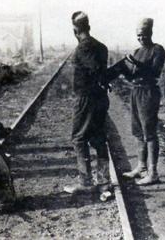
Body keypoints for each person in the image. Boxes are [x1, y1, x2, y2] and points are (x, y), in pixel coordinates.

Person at [112, 18, 165, 185]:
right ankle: (141, 167)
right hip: (135, 91)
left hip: (149, 92)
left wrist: (134, 63)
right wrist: (121, 70)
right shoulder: (137, 51)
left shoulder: (157, 50)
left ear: (150, 33)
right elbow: (133, 75)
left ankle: (153, 172)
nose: (141, 38)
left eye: (143, 35)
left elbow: (154, 72)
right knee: (137, 130)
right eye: (138, 36)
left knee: (149, 131)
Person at [64, 11, 111, 194]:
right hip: (100, 98)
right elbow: (102, 72)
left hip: (86, 99)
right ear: (88, 27)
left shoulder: (84, 47)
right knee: (98, 137)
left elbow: (95, 69)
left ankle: (86, 182)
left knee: (79, 138)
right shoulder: (102, 47)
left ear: (75, 30)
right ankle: (104, 181)